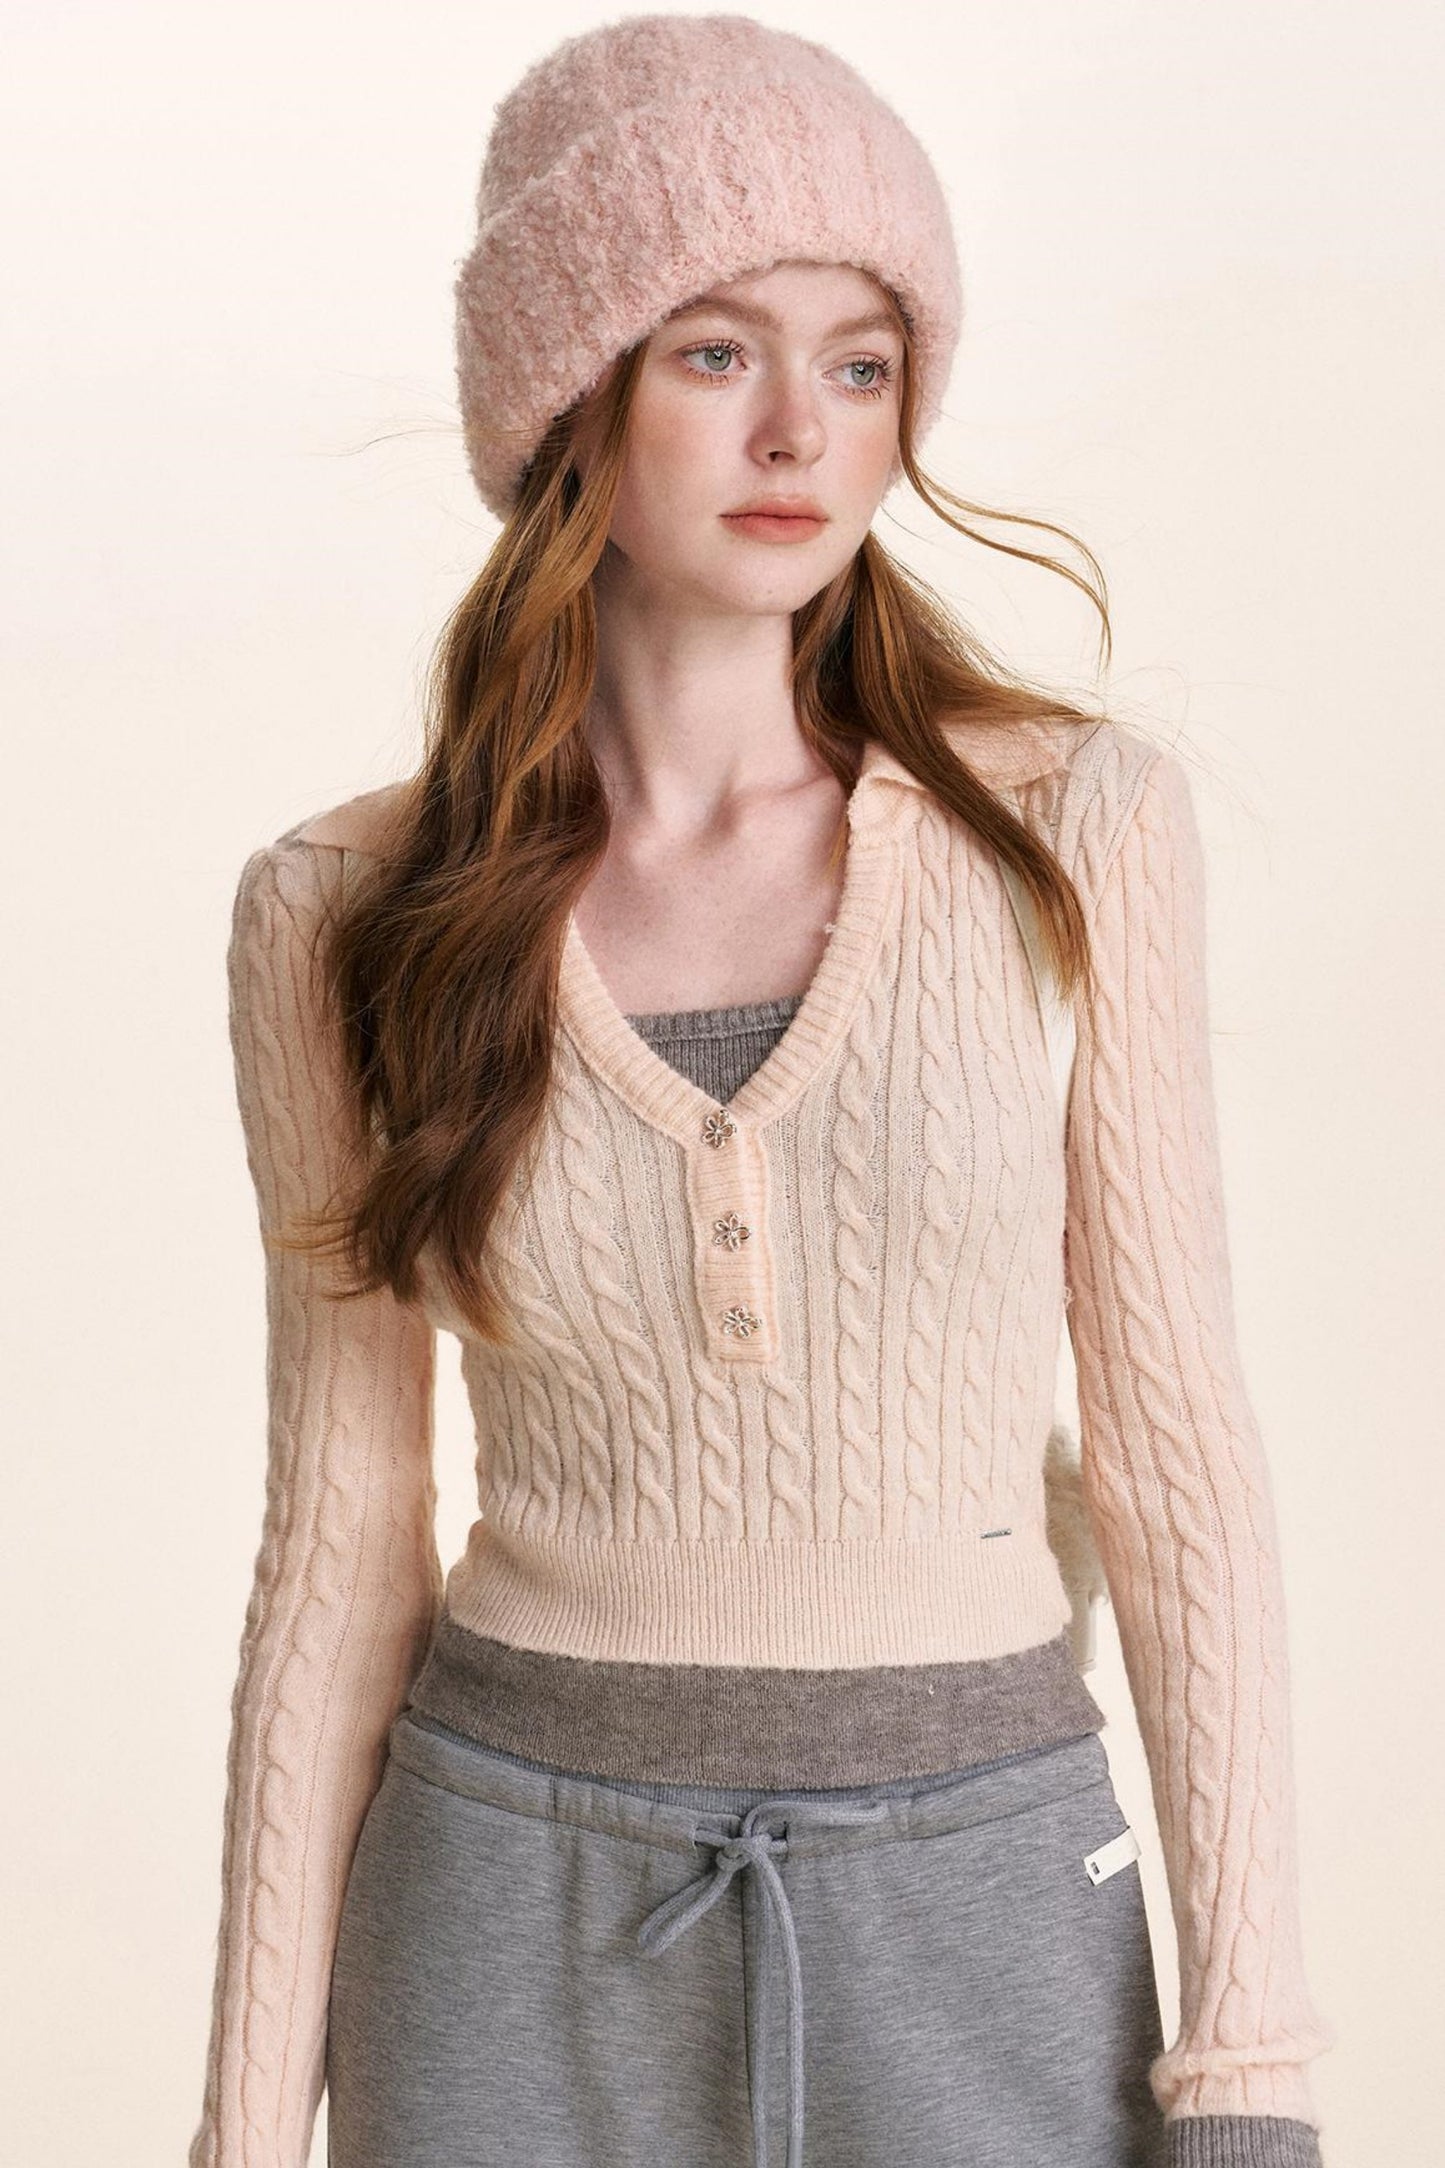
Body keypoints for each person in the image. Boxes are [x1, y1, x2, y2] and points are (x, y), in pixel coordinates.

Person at [187, 15, 1336, 2168]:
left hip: (984, 1888)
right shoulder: (342, 909)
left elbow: (1179, 1459)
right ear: (569, 390)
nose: (802, 427)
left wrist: (1249, 2069)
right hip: (503, 1901)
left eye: (864, 362)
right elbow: (338, 1546)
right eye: (715, 351)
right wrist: (248, 2131)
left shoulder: (1072, 828)